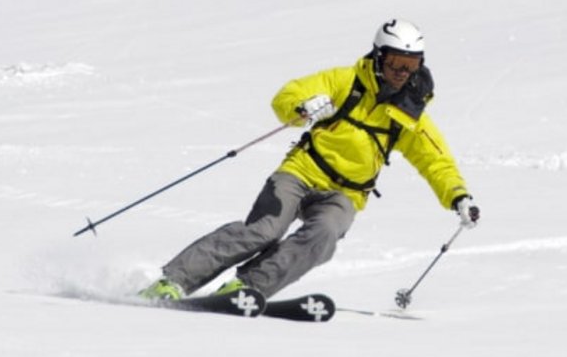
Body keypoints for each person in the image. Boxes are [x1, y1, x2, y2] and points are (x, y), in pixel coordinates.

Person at [139, 19, 481, 301]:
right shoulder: (345, 81)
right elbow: (287, 95)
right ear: (378, 57)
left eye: (411, 65)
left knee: (324, 235)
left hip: (346, 193)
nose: (402, 73)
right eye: (395, 63)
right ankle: (174, 280)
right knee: (264, 230)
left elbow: (436, 161)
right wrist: (302, 108)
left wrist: (458, 196)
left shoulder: (409, 112)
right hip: (302, 172)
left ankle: (248, 287)